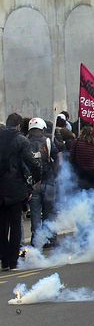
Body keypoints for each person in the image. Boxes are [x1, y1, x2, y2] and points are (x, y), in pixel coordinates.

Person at [0, 114, 40, 270]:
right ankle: (13, 260)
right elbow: (32, 163)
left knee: (1, 226)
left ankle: (4, 259)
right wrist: (35, 180)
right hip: (16, 187)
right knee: (16, 224)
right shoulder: (22, 140)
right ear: (18, 126)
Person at [26, 117, 58, 248]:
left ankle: (36, 239)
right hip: (48, 181)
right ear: (43, 128)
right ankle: (49, 238)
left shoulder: (25, 142)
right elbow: (56, 158)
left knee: (34, 213)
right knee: (49, 212)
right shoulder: (48, 141)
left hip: (33, 184)